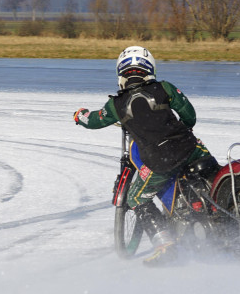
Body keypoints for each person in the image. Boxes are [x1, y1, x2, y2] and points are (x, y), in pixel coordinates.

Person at [73, 46, 213, 266]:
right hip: (190, 147)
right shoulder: (164, 88)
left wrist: (79, 115)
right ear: (150, 69)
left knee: (136, 198)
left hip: (160, 159)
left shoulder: (116, 105)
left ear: (121, 73)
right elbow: (190, 116)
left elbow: (94, 120)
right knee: (212, 171)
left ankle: (165, 244)